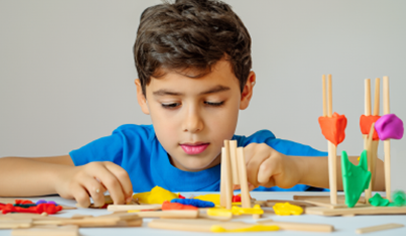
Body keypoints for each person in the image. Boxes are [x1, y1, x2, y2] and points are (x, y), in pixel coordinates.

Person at [0, 0, 384, 208]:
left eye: (214, 101)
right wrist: (61, 178)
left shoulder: (265, 159)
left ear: (245, 91)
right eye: (170, 104)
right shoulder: (126, 151)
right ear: (142, 96)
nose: (192, 123)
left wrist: (297, 166)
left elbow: (382, 174)